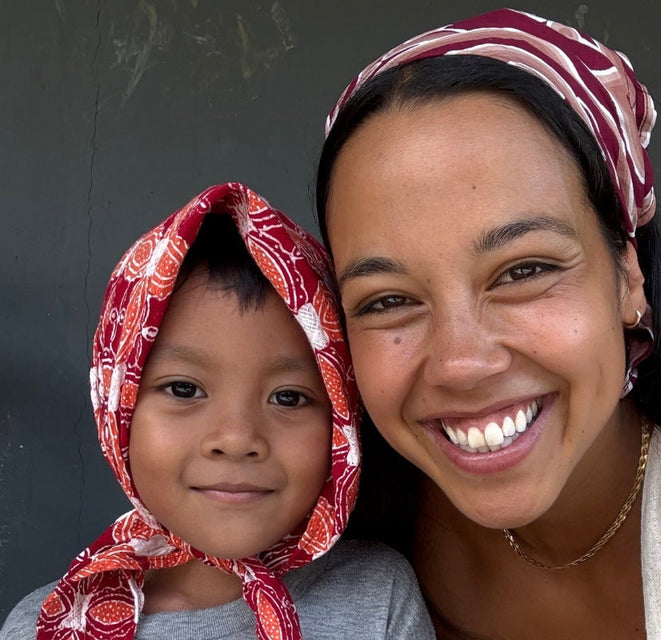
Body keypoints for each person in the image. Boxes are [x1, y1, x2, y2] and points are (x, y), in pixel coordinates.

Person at [315, 9, 661, 639]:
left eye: (523, 271)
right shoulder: (322, 543)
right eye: (387, 301)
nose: (461, 363)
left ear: (628, 273)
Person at [0, 183, 435, 640]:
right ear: (117, 412)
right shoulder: (46, 624)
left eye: (288, 397)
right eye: (184, 389)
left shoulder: (377, 598)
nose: (236, 439)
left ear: (342, 419)